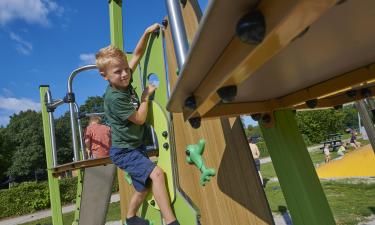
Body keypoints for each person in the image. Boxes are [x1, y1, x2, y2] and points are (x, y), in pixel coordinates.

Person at [96, 23, 179, 225]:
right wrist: (145, 98)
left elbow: (137, 56)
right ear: (105, 76)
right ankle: (171, 222)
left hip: (135, 146)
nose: (125, 74)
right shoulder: (115, 98)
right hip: (124, 151)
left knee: (143, 188)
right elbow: (140, 119)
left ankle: (131, 217)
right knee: (157, 174)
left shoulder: (123, 77)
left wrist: (145, 33)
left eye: (125, 69)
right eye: (118, 72)